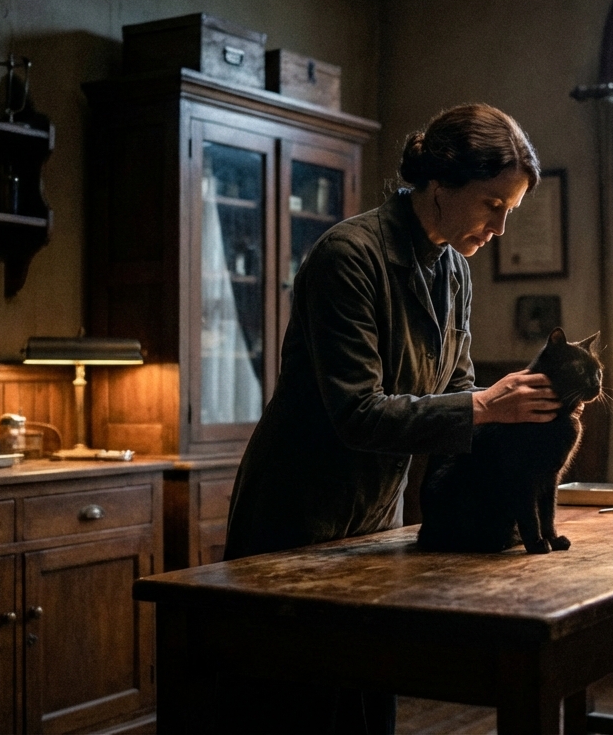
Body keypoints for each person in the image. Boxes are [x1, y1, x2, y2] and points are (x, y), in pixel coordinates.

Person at [221, 103, 557, 734]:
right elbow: (359, 413)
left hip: (376, 521)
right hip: (296, 520)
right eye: (493, 204)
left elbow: (455, 392)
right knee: (290, 714)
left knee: (368, 710)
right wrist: (487, 405)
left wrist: (515, 423)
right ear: (440, 183)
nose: (502, 226)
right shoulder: (348, 256)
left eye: (510, 210)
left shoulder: (455, 269)